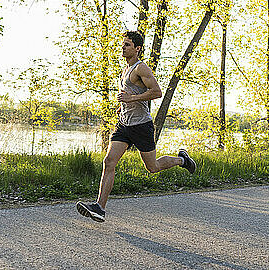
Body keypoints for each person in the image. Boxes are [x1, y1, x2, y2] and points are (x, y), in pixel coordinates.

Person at [76, 31, 197, 222]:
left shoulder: (141, 68)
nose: (123, 47)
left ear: (137, 48)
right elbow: (129, 94)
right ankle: (99, 207)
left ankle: (182, 160)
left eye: (127, 45)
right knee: (109, 162)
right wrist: (122, 106)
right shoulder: (125, 70)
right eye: (123, 44)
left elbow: (156, 92)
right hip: (124, 125)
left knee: (152, 167)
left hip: (142, 126)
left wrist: (131, 99)